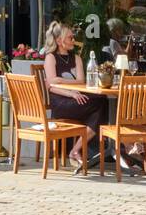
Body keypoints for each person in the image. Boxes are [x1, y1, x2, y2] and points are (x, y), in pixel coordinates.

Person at [42, 21, 109, 170]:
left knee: (102, 102)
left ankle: (75, 150)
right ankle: (76, 150)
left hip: (77, 97)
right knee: (101, 105)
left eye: (73, 37)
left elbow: (81, 81)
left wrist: (60, 80)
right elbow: (52, 87)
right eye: (70, 38)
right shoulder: (50, 58)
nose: (73, 40)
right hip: (61, 102)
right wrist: (70, 93)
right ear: (59, 41)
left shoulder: (76, 58)